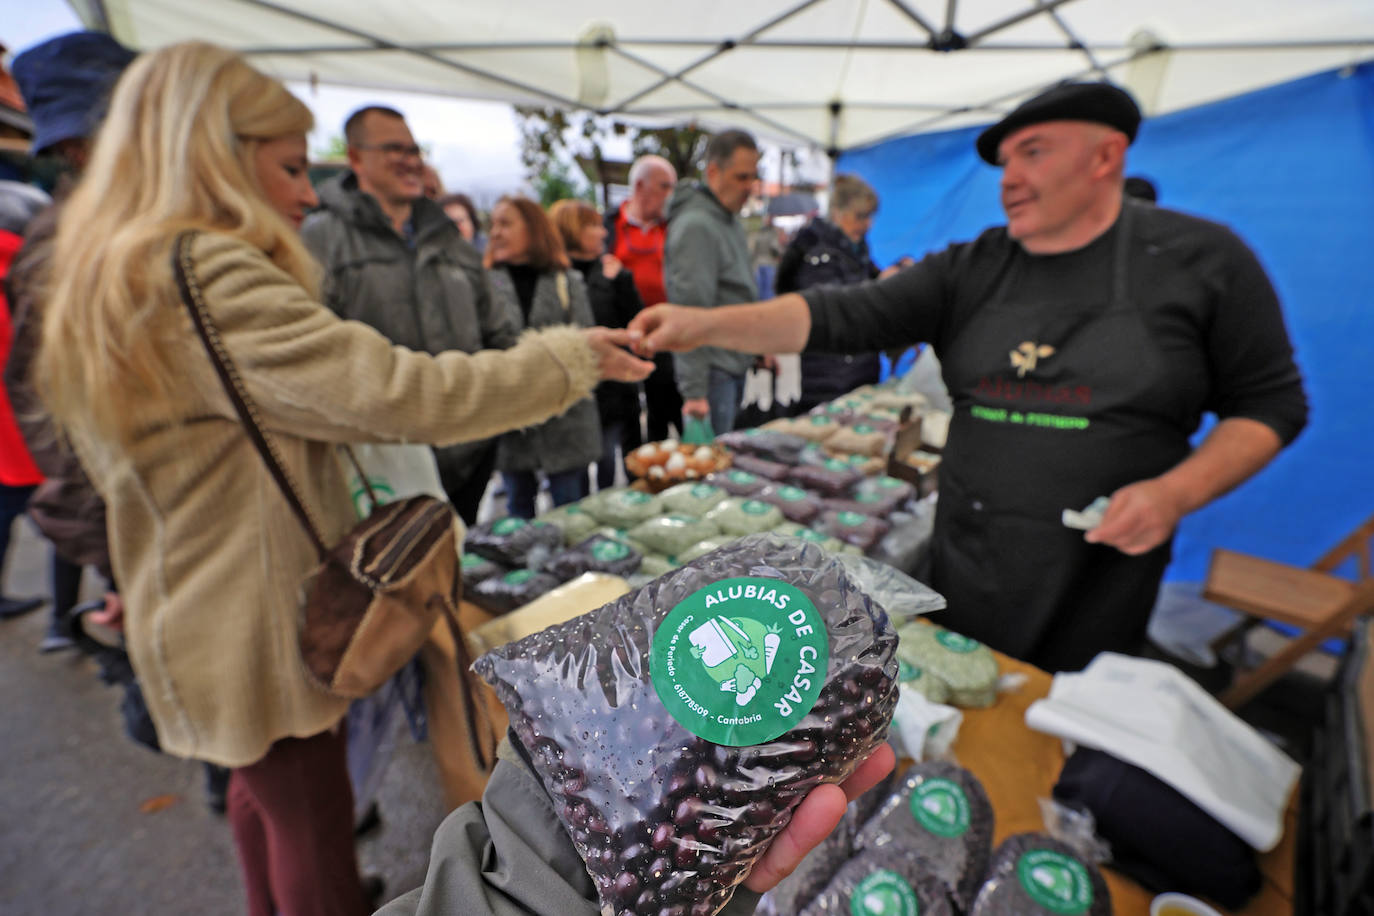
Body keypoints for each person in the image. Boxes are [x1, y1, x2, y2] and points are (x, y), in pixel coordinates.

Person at [32, 42, 651, 916]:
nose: (305, 194)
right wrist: (572, 358)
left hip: (196, 600)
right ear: (212, 153)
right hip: (250, 613)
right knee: (316, 836)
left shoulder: (120, 268)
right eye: (287, 166)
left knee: (266, 804)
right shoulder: (203, 274)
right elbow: (405, 392)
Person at [630, 82, 1308, 673]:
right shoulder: (973, 268)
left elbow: (1272, 404)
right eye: (1005, 161)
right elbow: (835, 316)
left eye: (1033, 152)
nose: (1009, 177)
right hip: (970, 553)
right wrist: (700, 325)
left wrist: (1172, 495)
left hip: (1101, 578)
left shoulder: (1202, 261)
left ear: (1106, 155)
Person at [301, 106, 519, 526]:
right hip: (386, 464)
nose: (410, 159)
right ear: (356, 157)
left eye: (414, 148)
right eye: (393, 149)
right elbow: (314, 355)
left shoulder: (448, 236)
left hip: (469, 452)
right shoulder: (321, 237)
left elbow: (497, 330)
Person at [3, 32, 137, 649]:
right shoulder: (65, 246)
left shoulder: (150, 220)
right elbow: (50, 410)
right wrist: (117, 562)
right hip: (148, 537)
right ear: (79, 149)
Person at [485, 196, 602, 516]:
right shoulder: (484, 284)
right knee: (518, 512)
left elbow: (587, 345)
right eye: (493, 224)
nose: (495, 232)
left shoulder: (567, 281)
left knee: (570, 515)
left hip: (565, 422)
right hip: (512, 422)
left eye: (505, 223)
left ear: (534, 229)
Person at [663, 130, 763, 436]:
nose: (749, 187)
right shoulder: (698, 226)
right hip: (713, 373)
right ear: (713, 172)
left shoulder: (726, 219)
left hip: (731, 362)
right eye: (741, 177)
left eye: (753, 178)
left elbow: (735, 291)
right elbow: (688, 312)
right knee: (712, 470)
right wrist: (694, 392)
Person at [550, 198, 644, 491]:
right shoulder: (552, 279)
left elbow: (635, 322)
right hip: (573, 393)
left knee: (607, 462)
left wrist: (620, 282)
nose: (603, 232)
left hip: (613, 394)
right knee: (573, 476)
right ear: (571, 231)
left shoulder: (615, 271)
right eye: (592, 226)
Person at [775, 173, 886, 413]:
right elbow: (831, 311)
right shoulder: (818, 254)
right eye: (860, 216)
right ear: (838, 213)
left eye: (870, 217)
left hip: (858, 368)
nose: (866, 224)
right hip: (829, 374)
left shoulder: (856, 249)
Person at [605, 154, 681, 441]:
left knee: (663, 402)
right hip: (624, 333)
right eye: (665, 186)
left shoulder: (672, 228)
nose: (669, 195)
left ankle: (661, 460)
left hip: (664, 333)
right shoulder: (612, 226)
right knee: (627, 412)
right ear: (640, 186)